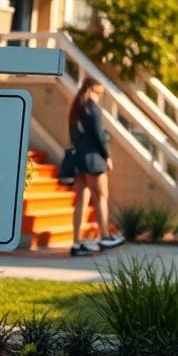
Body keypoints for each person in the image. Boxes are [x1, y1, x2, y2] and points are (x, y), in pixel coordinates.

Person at [68, 78, 125, 257]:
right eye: (100, 92)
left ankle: (76, 242)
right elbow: (99, 135)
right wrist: (107, 155)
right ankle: (105, 236)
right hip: (94, 158)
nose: (100, 96)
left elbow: (74, 136)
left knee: (81, 199)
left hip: (79, 158)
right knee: (101, 196)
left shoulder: (75, 109)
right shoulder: (92, 108)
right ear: (92, 88)